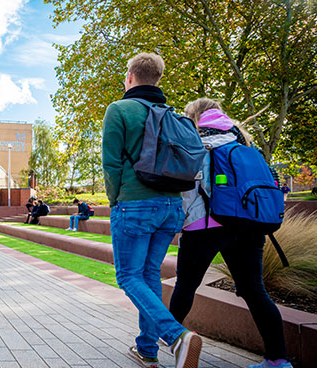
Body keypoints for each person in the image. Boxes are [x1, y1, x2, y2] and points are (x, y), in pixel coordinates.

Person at [169, 98, 293, 368]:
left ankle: (159, 342)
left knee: (186, 286)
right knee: (254, 290)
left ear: (194, 118)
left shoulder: (197, 144)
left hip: (205, 227)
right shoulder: (243, 143)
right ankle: (278, 359)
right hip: (248, 226)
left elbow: (187, 193)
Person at [102, 52, 201, 368]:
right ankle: (146, 348)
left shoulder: (119, 110)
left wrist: (116, 200)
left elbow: (111, 163)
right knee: (148, 274)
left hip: (135, 205)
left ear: (130, 76)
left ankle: (175, 336)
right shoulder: (172, 115)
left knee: (128, 276)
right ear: (158, 79)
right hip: (172, 206)